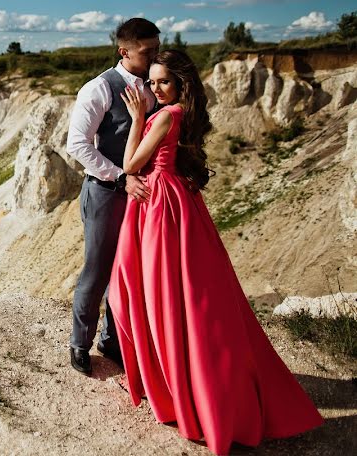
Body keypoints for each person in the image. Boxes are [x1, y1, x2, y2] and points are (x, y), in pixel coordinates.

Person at [108, 49, 323, 455]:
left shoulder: (168, 115)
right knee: (166, 293)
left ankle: (178, 390)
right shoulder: (176, 113)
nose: (155, 88)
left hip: (160, 205)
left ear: (180, 84)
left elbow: (132, 163)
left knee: (158, 294)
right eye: (151, 82)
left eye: (163, 82)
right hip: (170, 201)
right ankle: (173, 383)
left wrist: (137, 118)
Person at [66, 17, 161, 375]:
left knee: (130, 273)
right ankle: (80, 343)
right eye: (146, 51)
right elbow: (77, 144)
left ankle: (113, 341)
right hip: (106, 193)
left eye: (157, 48)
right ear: (124, 51)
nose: (154, 56)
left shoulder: (157, 85)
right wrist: (121, 177)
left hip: (145, 195)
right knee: (98, 269)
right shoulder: (99, 88)